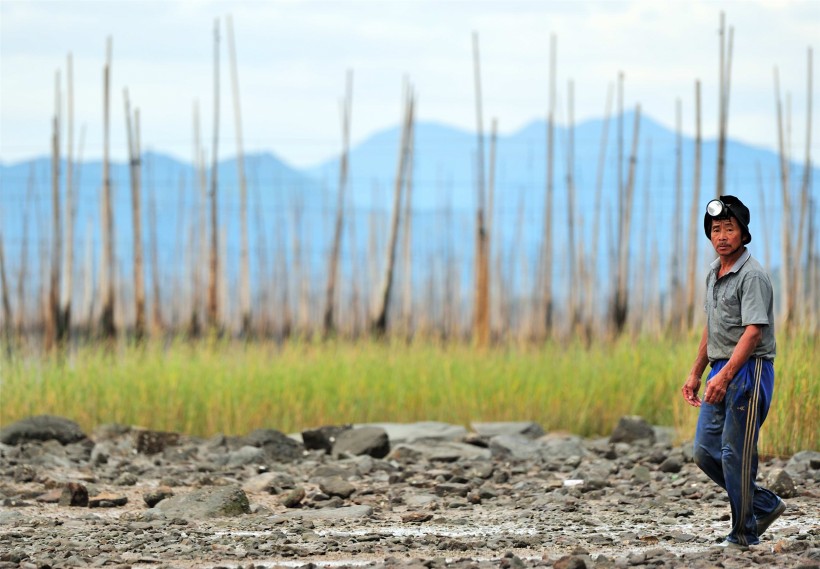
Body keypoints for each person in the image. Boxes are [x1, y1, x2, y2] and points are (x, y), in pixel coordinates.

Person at [681, 194, 786, 550]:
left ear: (743, 233)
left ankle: (744, 534)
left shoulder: (752, 276)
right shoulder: (714, 273)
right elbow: (712, 327)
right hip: (719, 368)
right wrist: (697, 372)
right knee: (705, 452)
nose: (722, 235)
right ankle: (764, 504)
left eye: (729, 228)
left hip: (749, 369)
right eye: (715, 229)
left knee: (735, 454)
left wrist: (725, 376)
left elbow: (753, 331)